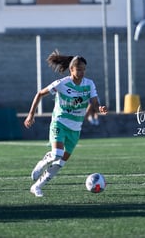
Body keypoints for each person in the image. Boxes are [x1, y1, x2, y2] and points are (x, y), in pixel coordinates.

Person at [24, 50, 108, 197]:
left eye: (84, 70)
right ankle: (43, 161)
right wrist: (31, 114)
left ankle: (37, 187)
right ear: (71, 69)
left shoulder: (89, 84)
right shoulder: (62, 84)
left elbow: (94, 102)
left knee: (61, 162)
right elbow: (40, 94)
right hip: (59, 123)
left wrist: (99, 107)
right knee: (56, 154)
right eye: (79, 69)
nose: (82, 72)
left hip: (75, 130)